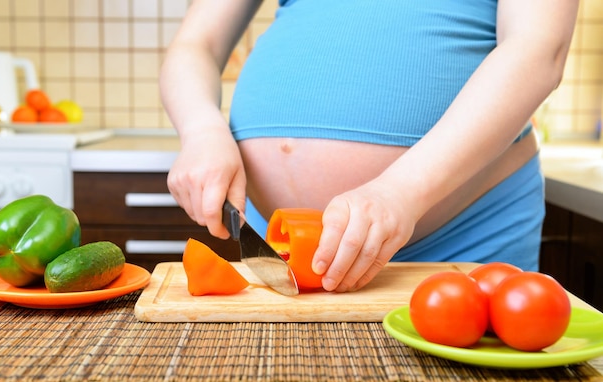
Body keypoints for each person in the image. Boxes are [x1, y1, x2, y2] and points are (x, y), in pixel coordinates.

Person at [160, 0, 579, 293]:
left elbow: (539, 48)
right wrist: (200, 130)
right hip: (277, 249)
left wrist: (398, 191)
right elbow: (196, 45)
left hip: (460, 234)